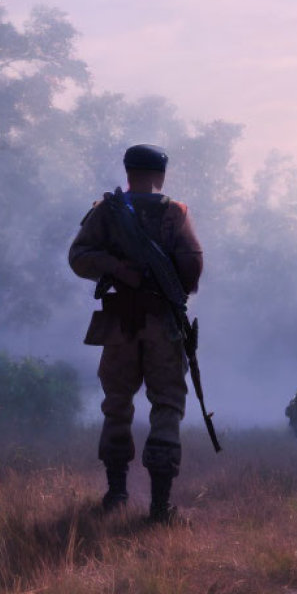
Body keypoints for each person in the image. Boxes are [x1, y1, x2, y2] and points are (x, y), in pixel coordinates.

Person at [68, 144, 203, 524]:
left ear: (128, 172)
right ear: (162, 174)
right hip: (163, 324)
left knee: (116, 405)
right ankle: (159, 507)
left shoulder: (105, 212)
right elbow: (192, 268)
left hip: (121, 325)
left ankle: (116, 493)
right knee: (168, 406)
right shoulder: (174, 213)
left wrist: (115, 269)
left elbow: (79, 257)